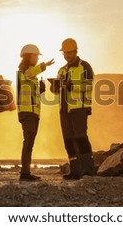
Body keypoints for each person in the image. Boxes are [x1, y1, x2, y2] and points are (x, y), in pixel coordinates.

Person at [50, 38, 95, 180]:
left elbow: (88, 86)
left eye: (69, 52)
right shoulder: (62, 70)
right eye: (65, 53)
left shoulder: (85, 66)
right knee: (68, 141)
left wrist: (71, 86)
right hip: (64, 110)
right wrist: (54, 87)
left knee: (81, 138)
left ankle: (88, 169)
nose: (67, 55)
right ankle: (75, 171)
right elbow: (56, 92)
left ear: (76, 51)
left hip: (79, 109)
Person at [17, 44, 54, 181]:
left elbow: (31, 93)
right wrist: (44, 66)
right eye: (36, 56)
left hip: (33, 113)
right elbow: (28, 74)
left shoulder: (32, 74)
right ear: (28, 56)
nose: (38, 59)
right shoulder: (23, 70)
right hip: (27, 113)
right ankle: (24, 173)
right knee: (28, 142)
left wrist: (41, 90)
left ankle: (26, 172)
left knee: (30, 142)